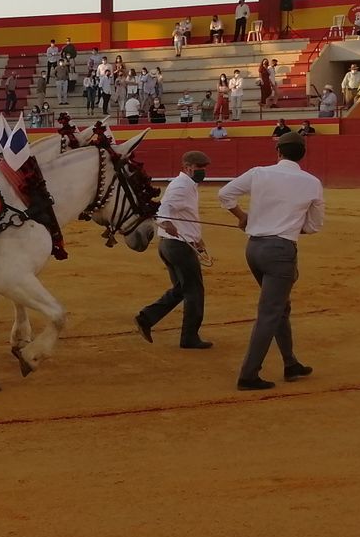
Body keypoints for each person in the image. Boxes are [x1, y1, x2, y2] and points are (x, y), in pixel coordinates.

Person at [218, 130, 324, 391]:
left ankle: (290, 363)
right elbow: (314, 226)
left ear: (278, 152)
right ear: (303, 155)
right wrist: (289, 225)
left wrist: (242, 217)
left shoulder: (259, 173)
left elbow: (225, 195)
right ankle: (248, 375)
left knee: (279, 308)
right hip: (280, 253)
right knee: (270, 313)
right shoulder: (312, 182)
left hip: (254, 249)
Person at [134, 150, 213, 350]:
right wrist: (166, 223)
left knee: (181, 289)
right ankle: (189, 337)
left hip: (172, 245)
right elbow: (161, 211)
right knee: (194, 291)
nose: (202, 172)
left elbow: (185, 215)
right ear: (187, 167)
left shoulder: (188, 185)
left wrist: (197, 239)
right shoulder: (180, 186)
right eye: (199, 169)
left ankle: (146, 318)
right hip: (177, 246)